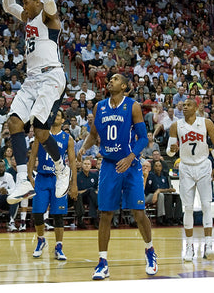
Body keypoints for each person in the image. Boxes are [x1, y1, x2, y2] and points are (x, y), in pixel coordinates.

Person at [2, 0, 70, 205]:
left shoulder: (48, 18)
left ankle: (61, 167)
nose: (23, 5)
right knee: (14, 122)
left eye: (26, 2)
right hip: (32, 79)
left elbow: (50, 1)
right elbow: (8, 4)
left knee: (40, 130)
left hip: (52, 74)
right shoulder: (30, 19)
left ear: (37, 3)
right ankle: (22, 180)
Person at [76, 74, 157, 279]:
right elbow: (94, 135)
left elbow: (143, 138)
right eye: (109, 78)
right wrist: (84, 147)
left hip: (130, 165)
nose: (110, 81)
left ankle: (150, 250)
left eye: (115, 78)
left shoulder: (133, 106)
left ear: (124, 86)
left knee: (138, 213)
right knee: (105, 214)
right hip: (110, 166)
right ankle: (102, 262)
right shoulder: (99, 107)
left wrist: (131, 157)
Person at [166, 98, 214, 262]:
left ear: (196, 108)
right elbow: (170, 153)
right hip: (186, 167)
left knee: (206, 205)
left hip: (204, 165)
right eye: (183, 105)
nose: (184, 107)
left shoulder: (206, 123)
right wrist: (172, 149)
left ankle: (209, 245)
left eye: (188, 105)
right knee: (188, 207)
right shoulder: (176, 126)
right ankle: (189, 246)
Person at [27, 109, 78, 260]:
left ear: (63, 120)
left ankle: (59, 246)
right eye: (54, 114)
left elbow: (73, 162)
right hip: (42, 177)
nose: (55, 116)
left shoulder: (67, 138)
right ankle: (41, 240)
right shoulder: (42, 134)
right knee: (37, 212)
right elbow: (33, 155)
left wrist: (73, 183)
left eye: (58, 115)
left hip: (59, 179)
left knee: (57, 215)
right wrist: (29, 174)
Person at [144, 160, 182, 225]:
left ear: (161, 167)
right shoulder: (151, 176)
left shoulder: (164, 177)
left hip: (163, 194)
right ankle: (163, 218)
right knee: (163, 196)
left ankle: (177, 218)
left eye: (159, 166)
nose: (158, 167)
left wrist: (168, 190)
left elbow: (166, 189)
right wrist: (162, 191)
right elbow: (153, 189)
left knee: (177, 197)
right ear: (154, 167)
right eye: (156, 166)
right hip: (151, 195)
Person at [74, 158, 99, 229]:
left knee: (92, 196)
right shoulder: (78, 176)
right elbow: (76, 191)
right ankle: (96, 215)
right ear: (82, 165)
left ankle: (93, 220)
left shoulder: (94, 176)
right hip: (80, 197)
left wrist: (95, 192)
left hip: (91, 197)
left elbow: (97, 189)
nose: (87, 166)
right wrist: (87, 190)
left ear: (91, 166)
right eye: (85, 164)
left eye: (88, 164)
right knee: (91, 190)